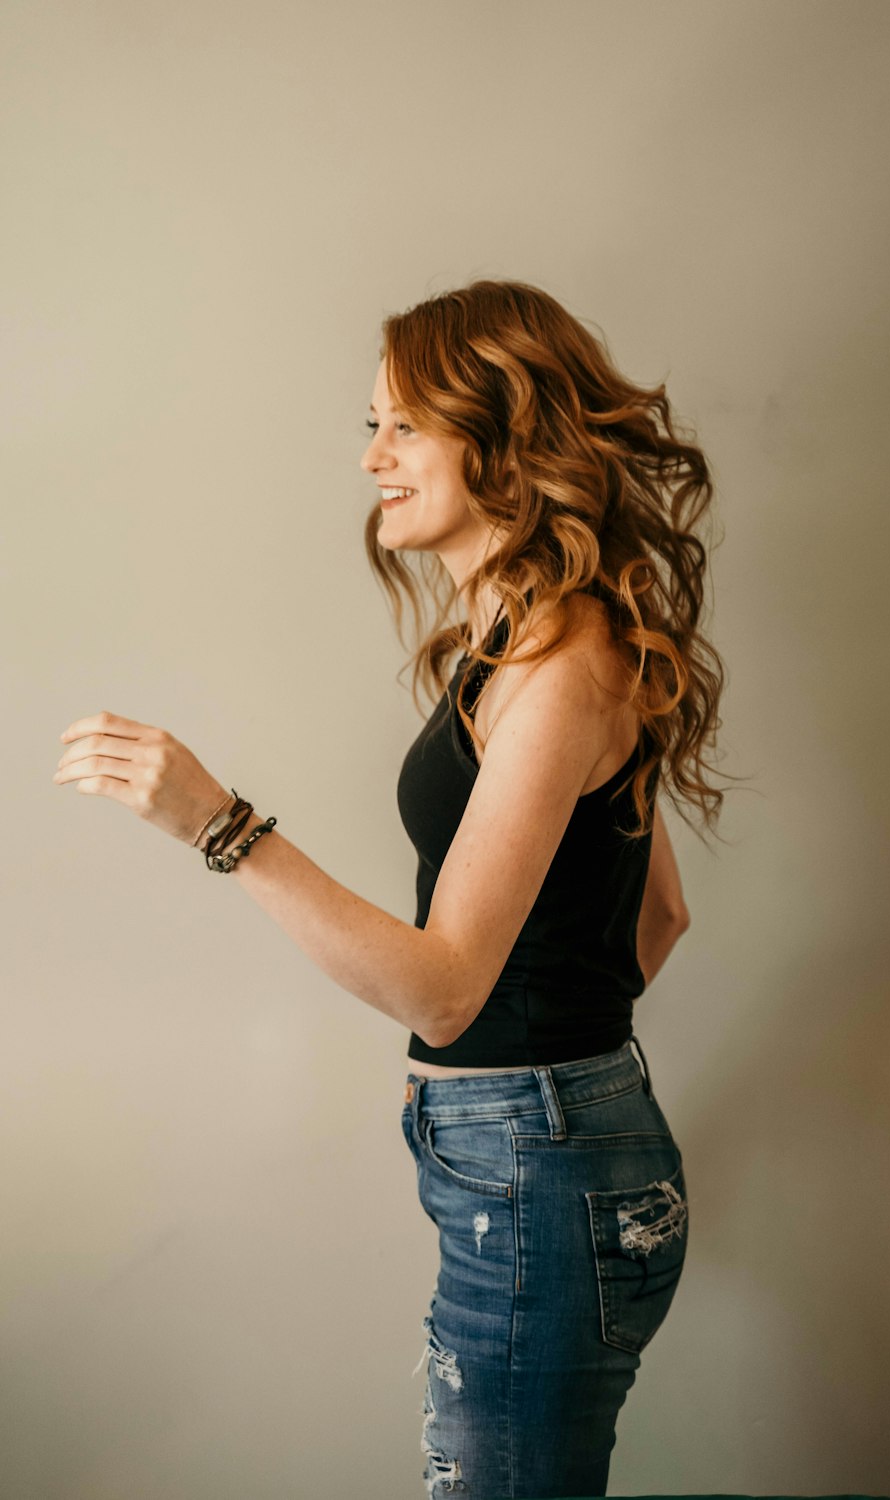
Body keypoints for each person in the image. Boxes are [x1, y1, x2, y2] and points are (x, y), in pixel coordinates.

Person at [53, 278, 727, 1499]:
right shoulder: (525, 643)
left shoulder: (563, 662)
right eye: (370, 427)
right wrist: (555, 1073)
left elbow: (449, 995)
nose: (371, 459)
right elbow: (654, 915)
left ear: (503, 434)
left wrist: (215, 820)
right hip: (526, 1153)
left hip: (533, 1165)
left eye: (401, 427)